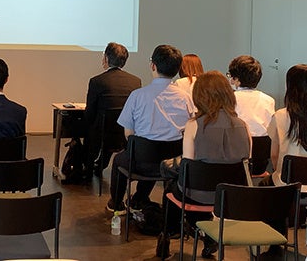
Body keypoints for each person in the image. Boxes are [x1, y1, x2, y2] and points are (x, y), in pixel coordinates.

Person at [158, 70, 251, 258]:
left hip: (197, 194)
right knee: (203, 187)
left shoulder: (194, 125)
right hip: (231, 197)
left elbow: (187, 166)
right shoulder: (243, 126)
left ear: (199, 96)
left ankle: (167, 235)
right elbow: (246, 160)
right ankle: (206, 234)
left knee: (173, 187)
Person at [107, 44, 194, 214]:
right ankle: (139, 198)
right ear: (177, 70)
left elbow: (128, 134)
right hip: (172, 165)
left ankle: (116, 204)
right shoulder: (186, 99)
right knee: (157, 157)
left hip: (141, 162)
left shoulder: (137, 96)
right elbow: (191, 130)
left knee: (119, 160)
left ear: (153, 65)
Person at [263, 64, 307, 256]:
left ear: (289, 87)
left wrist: (279, 172)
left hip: (288, 186)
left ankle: (276, 244)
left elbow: (274, 156)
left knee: (267, 186)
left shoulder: (280, 116)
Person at [82, 42, 141, 179]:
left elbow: (90, 112)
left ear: (106, 58)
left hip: (101, 133)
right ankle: (100, 165)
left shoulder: (97, 81)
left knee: (89, 127)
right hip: (124, 133)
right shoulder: (135, 81)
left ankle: (87, 169)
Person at [227, 55, 275, 137]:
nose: (230, 80)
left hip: (239, 141)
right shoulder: (269, 100)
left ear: (237, 79)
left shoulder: (229, 99)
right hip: (264, 143)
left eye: (230, 76)